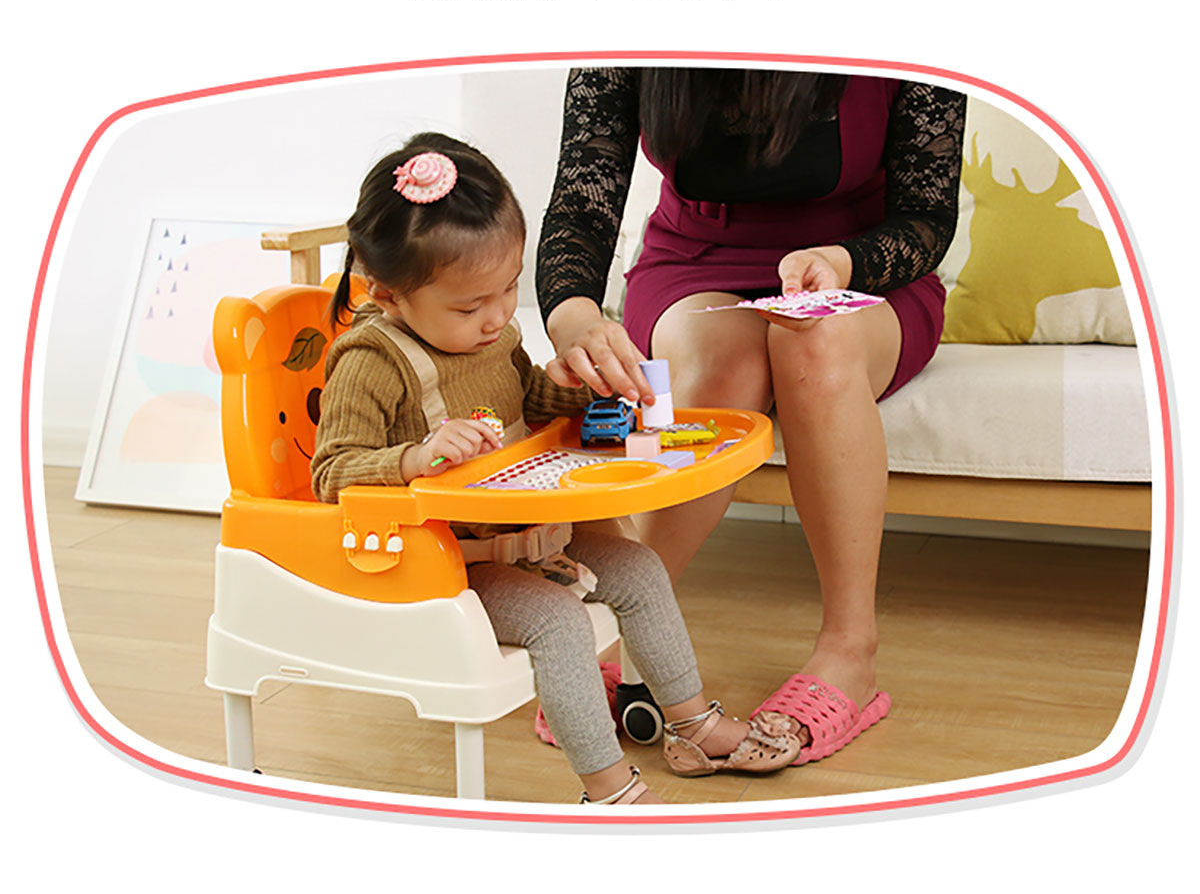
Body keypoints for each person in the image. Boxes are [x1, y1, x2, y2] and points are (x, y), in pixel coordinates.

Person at [311, 132, 803, 804]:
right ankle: (609, 791)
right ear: (389, 295)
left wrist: (582, 392)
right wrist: (415, 458)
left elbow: (530, 400)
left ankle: (693, 728)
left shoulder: (493, 336)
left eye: (508, 289)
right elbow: (332, 471)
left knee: (641, 568)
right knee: (559, 622)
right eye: (469, 306)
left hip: (522, 535)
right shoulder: (371, 361)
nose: (496, 317)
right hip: (442, 561)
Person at [536, 67, 966, 762]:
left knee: (814, 342)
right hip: (695, 259)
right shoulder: (631, 27)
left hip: (862, 268)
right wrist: (575, 316)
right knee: (726, 364)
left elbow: (927, 216)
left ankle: (850, 649)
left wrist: (841, 261)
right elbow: (581, 203)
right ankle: (624, 624)